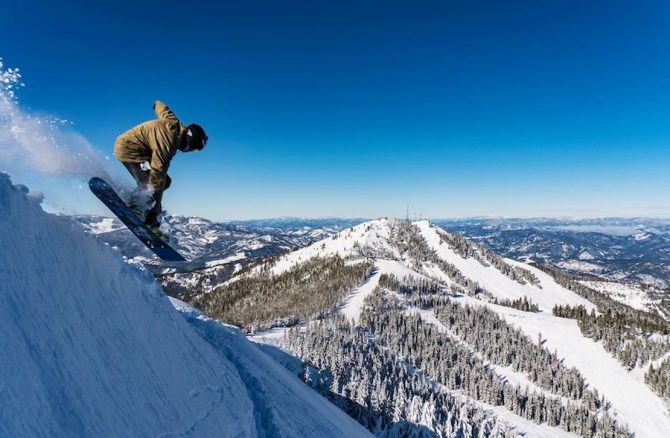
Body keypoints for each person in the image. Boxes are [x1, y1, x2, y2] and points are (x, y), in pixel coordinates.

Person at [114, 100, 207, 233]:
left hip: (142, 151)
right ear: (189, 139)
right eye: (190, 149)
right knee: (150, 186)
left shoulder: (175, 124)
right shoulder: (167, 143)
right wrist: (156, 208)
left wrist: (156, 103)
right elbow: (158, 173)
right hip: (129, 149)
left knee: (166, 182)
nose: (186, 151)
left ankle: (141, 205)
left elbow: (164, 110)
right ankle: (135, 206)